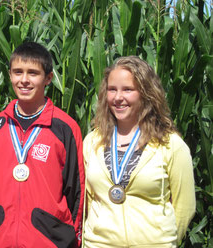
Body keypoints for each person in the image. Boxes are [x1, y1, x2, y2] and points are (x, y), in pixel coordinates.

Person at [82, 56, 196, 247]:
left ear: (146, 93)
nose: (118, 97)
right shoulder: (93, 141)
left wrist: (164, 241)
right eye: (112, 90)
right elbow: (88, 200)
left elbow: (185, 207)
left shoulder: (170, 144)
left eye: (128, 89)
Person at [0, 41, 85, 247]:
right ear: (9, 75)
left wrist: (69, 239)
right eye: (18, 72)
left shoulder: (65, 128)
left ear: (48, 78)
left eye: (33, 73)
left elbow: (76, 192)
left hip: (47, 241)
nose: (24, 80)